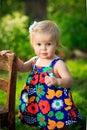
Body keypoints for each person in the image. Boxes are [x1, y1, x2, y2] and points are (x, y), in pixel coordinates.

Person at [0, 20, 82, 130]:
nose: (43, 48)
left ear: (56, 44)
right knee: (43, 119)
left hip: (54, 102)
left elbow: (69, 81)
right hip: (38, 100)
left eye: (48, 44)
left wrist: (57, 81)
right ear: (33, 44)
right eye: (39, 44)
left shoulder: (57, 63)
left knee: (57, 123)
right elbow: (22, 68)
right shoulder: (35, 60)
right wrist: (13, 57)